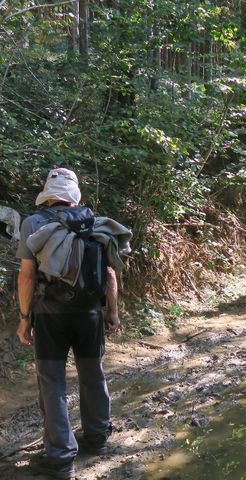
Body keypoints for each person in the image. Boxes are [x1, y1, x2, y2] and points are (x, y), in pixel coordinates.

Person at [16, 168, 131, 479]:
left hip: (50, 316)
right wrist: (113, 312)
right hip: (90, 314)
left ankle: (60, 456)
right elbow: (109, 274)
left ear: (47, 194)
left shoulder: (33, 223)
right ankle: (97, 439)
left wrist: (24, 318)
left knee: (52, 381)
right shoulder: (95, 223)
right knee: (93, 374)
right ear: (74, 195)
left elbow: (27, 275)